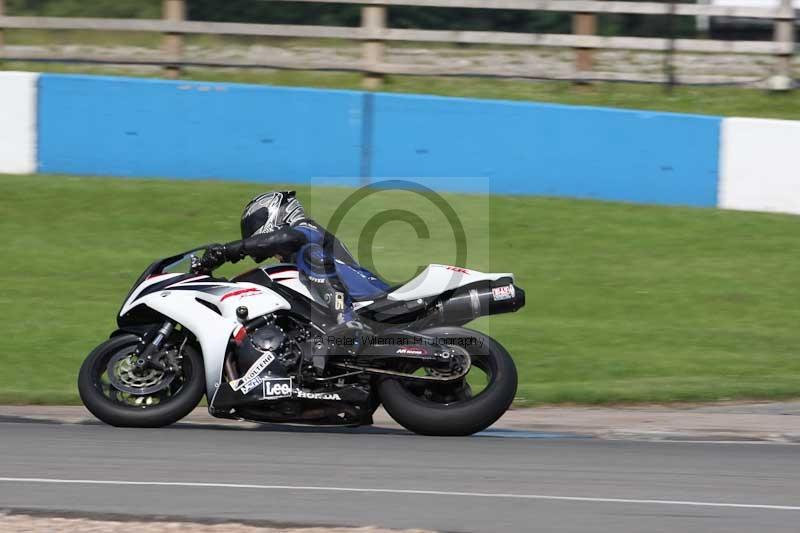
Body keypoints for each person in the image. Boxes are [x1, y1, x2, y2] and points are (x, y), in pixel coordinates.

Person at [199, 191, 389, 322]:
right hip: (361, 304)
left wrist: (228, 250)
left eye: (254, 224)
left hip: (371, 297)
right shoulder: (296, 252)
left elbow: (286, 237)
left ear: (275, 213)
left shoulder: (305, 229)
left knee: (307, 254)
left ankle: (346, 319)